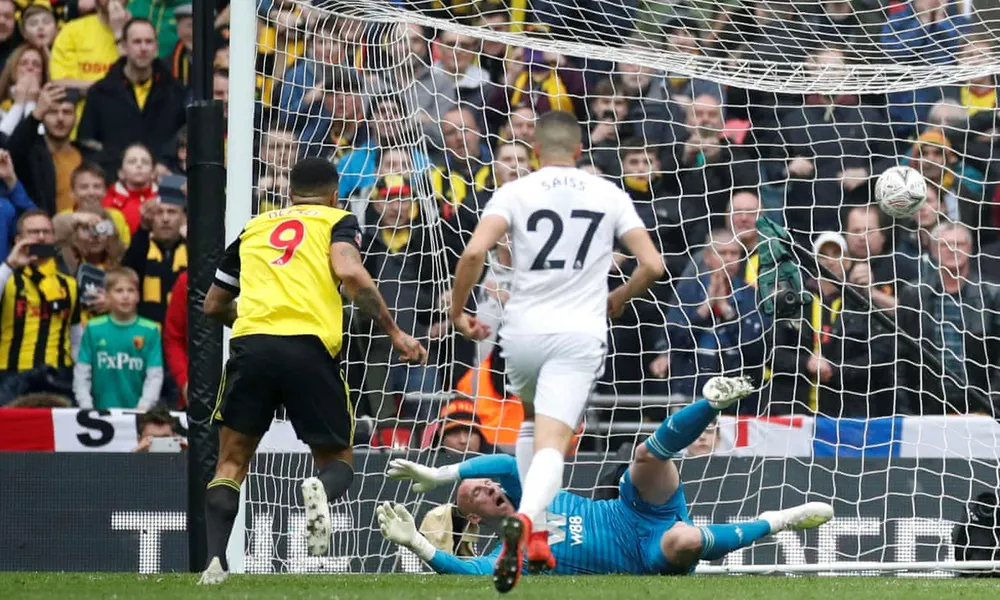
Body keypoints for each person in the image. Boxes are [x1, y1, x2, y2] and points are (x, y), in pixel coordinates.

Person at [448, 110, 664, 592]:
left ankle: (539, 534)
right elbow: (652, 263)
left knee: (528, 422)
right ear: (581, 151)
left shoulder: (515, 191)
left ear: (536, 150)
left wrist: (459, 311)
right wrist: (617, 299)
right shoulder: (608, 193)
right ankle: (525, 522)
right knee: (552, 442)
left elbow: (473, 253)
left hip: (519, 333)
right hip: (577, 333)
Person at [198, 157, 427, 585]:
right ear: (335, 193)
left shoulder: (255, 227)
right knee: (337, 458)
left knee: (230, 462)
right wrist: (395, 332)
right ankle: (320, 488)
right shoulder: (338, 220)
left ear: (289, 193)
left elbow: (212, 304)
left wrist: (258, 328)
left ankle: (214, 563)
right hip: (309, 349)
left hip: (251, 348)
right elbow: (348, 270)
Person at [378, 376, 834, 578]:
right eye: (479, 493)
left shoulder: (529, 496)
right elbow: (460, 570)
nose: (492, 487)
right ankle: (778, 520)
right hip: (645, 554)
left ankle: (711, 404)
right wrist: (418, 545)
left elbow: (502, 465)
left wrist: (444, 472)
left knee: (645, 457)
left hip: (632, 509)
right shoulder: (510, 555)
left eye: (488, 485)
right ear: (475, 520)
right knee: (685, 542)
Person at [0, 210, 80, 406]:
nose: (41, 237)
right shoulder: (8, 278)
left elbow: (76, 336)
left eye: (46, 232)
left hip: (58, 375)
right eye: (33, 232)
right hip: (12, 375)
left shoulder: (68, 284)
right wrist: (10, 264)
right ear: (18, 239)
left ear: (54, 237)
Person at [73, 267, 163, 410]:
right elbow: (82, 372)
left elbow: (155, 375)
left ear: (138, 296)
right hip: (99, 411)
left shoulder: (150, 330)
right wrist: (86, 406)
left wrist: (144, 407)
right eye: (119, 291)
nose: (125, 296)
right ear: (107, 296)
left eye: (131, 290)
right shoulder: (93, 328)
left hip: (138, 412)